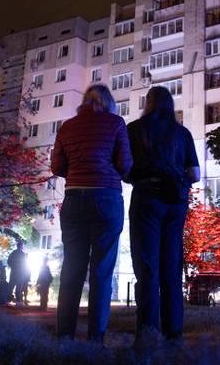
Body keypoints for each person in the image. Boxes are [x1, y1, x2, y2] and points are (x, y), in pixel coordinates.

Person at [51, 84, 132, 344]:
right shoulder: (116, 123)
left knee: (72, 268)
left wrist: (78, 172)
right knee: (102, 270)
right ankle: (96, 339)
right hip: (106, 199)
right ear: (108, 102)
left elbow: (57, 166)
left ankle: (64, 336)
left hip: (74, 199)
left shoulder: (67, 127)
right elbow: (125, 164)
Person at [127, 86, 200, 344]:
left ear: (148, 103)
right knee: (172, 266)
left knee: (147, 266)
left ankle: (148, 331)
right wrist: (178, 182)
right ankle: (174, 332)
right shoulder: (183, 133)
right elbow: (195, 175)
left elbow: (125, 168)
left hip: (147, 197)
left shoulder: (134, 129)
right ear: (170, 104)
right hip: (176, 202)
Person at [8, 240, 29, 306]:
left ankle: (7, 300)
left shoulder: (13, 253)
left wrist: (13, 267)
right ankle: (18, 301)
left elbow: (9, 261)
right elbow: (25, 265)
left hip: (13, 273)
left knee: (11, 287)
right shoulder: (23, 255)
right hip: (20, 274)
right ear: (21, 247)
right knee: (19, 288)